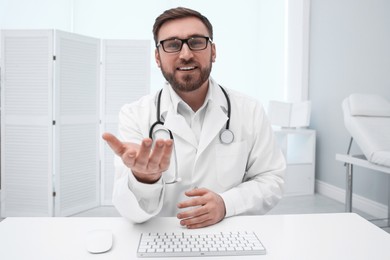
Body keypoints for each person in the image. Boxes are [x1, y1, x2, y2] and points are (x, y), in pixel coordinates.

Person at [103, 7, 285, 229]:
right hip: (162, 237)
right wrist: (144, 179)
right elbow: (129, 210)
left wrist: (226, 203)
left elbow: (271, 180)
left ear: (213, 51)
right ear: (157, 57)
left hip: (227, 232)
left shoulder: (250, 110)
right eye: (172, 45)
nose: (186, 54)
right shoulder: (135, 115)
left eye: (197, 42)